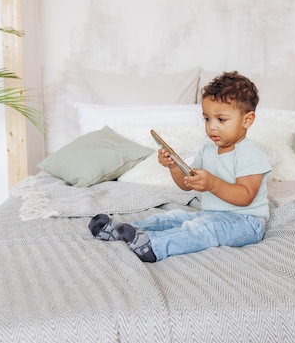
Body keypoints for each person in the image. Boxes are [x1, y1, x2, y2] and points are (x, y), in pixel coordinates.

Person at [88, 71, 272, 262]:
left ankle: (154, 245)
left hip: (246, 223)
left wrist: (213, 184)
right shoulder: (207, 151)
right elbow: (187, 184)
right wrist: (175, 167)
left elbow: (245, 196)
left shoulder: (249, 153)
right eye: (207, 119)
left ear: (247, 120)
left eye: (221, 120)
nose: (212, 127)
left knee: (202, 230)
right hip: (212, 214)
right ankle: (125, 229)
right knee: (174, 218)